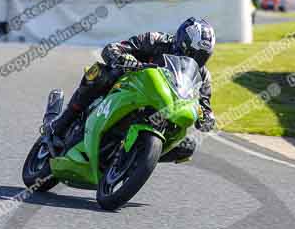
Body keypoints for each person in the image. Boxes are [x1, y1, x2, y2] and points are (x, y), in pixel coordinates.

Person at [43, 17, 217, 162]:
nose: (196, 58)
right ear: (182, 42)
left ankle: (138, 159)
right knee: (99, 74)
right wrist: (125, 59)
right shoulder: (156, 40)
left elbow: (205, 105)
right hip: (130, 87)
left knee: (188, 146)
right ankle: (59, 125)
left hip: (165, 110)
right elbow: (113, 48)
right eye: (193, 52)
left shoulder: (202, 76)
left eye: (202, 56)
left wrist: (207, 118)